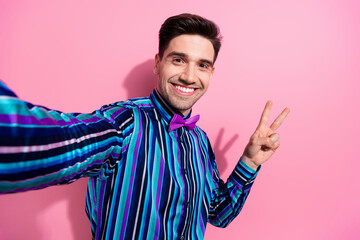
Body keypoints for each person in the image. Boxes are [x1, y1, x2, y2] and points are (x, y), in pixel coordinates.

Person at [0, 13, 289, 239]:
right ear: (157, 63)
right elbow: (65, 142)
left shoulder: (200, 142)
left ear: (211, 73)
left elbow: (218, 214)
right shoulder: (124, 122)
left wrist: (249, 162)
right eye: (178, 60)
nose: (189, 76)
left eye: (202, 65)